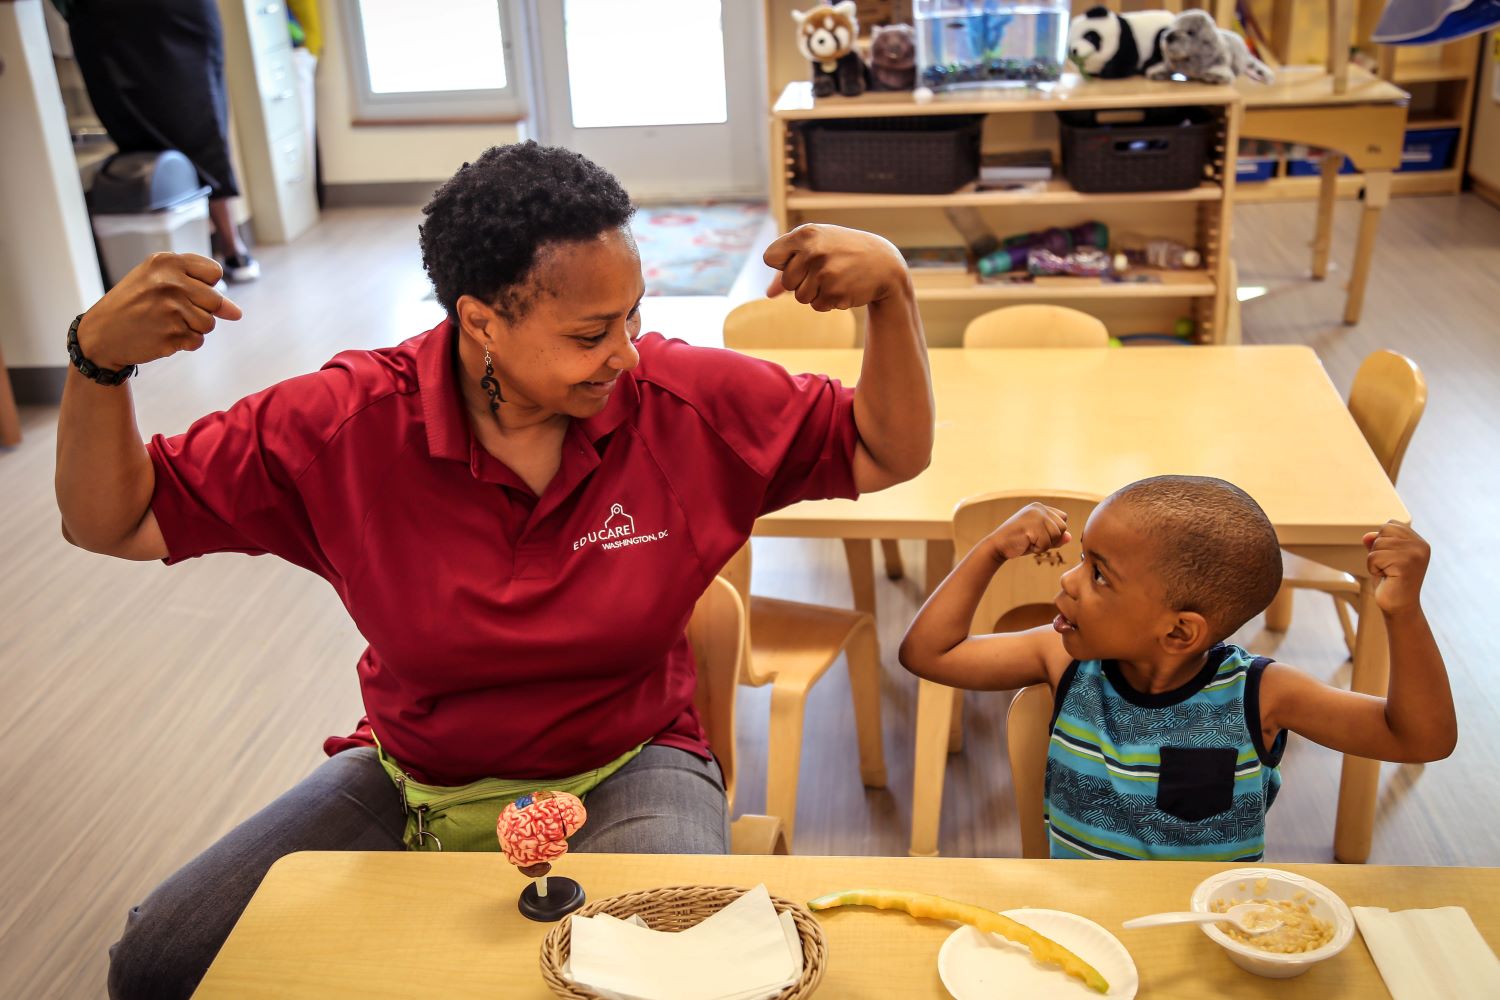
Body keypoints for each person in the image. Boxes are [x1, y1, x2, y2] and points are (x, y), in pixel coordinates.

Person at [56, 141, 934, 999]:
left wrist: (892, 291)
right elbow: (119, 519)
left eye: (633, 315)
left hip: (627, 762)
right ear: (481, 321)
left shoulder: (679, 402)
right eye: (592, 333)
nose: (627, 351)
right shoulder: (346, 424)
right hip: (416, 777)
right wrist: (98, 362)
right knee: (161, 961)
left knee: (649, 981)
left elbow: (886, 448)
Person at [899, 475, 1456, 861]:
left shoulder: (1261, 695)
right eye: (1081, 559)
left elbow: (1420, 737)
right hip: (1079, 923)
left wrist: (1402, 613)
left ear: (1179, 631)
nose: (1067, 581)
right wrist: (992, 549)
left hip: (1207, 937)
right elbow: (928, 653)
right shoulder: (1060, 657)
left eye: (1098, 575)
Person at [60, 0, 260, 281]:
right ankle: (187, 256)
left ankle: (221, 246)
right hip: (110, 17)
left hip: (174, 14)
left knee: (201, 120)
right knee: (141, 132)